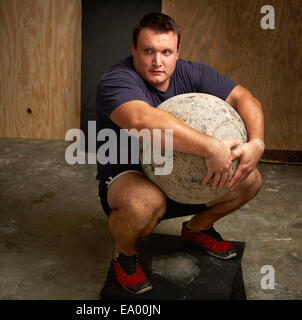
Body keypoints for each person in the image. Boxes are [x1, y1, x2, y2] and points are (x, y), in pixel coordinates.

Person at [96, 12, 264, 295]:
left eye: (165, 52)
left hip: (184, 178)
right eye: (148, 51)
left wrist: (257, 142)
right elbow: (143, 122)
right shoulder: (117, 80)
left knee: (251, 180)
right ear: (134, 50)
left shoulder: (190, 72)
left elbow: (243, 97)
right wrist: (211, 147)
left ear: (177, 53)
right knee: (143, 205)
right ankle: (124, 254)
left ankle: (197, 228)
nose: (157, 61)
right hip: (132, 177)